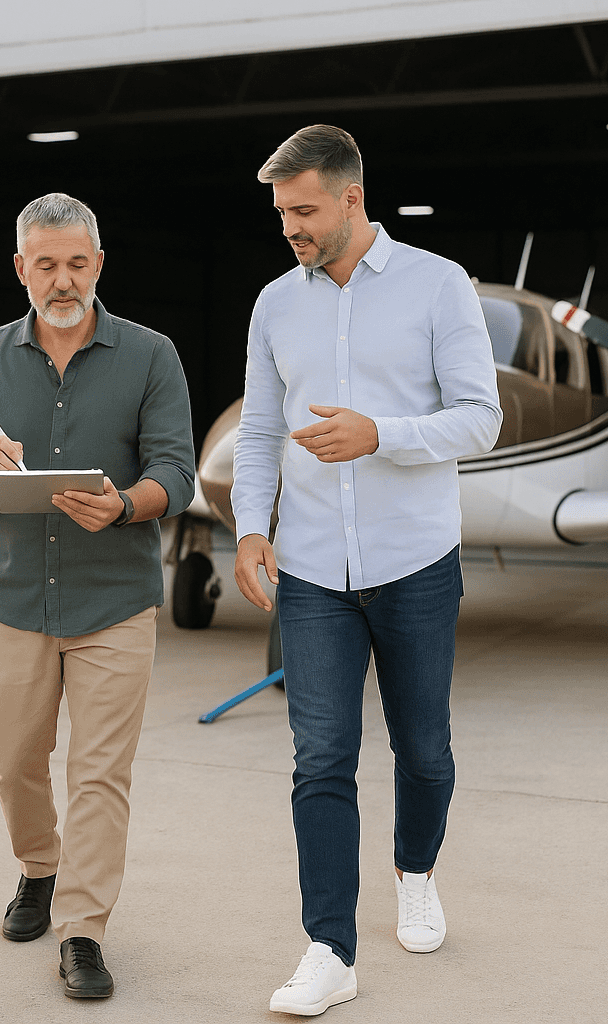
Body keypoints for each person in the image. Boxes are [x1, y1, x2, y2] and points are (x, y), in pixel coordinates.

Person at [231, 126, 502, 1017]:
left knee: (424, 752)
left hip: (415, 562)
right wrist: (249, 529)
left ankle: (415, 871)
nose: (290, 229)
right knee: (321, 759)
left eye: (304, 211)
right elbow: (262, 431)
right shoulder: (275, 303)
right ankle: (329, 949)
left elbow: (479, 420)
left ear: (352, 198)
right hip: (309, 569)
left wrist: (381, 435)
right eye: (281, 214)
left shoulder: (438, 284)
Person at [0, 193, 195, 1000]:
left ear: (99, 265)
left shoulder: (152, 356)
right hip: (10, 599)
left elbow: (176, 472)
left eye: (78, 262)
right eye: (46, 264)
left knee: (101, 772)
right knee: (14, 764)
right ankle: (38, 868)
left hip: (115, 600)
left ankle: (83, 931)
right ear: (21, 269)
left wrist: (125, 504)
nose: (63, 278)